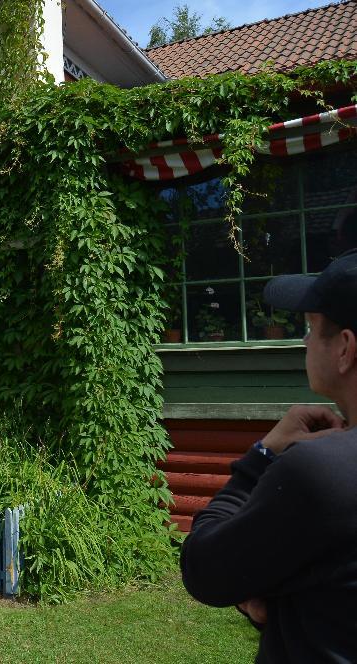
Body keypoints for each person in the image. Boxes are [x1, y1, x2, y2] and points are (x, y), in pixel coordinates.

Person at [180, 248, 357, 662]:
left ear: (346, 348)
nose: (304, 340)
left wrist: (262, 456)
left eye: (312, 328)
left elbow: (205, 569)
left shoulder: (323, 472)